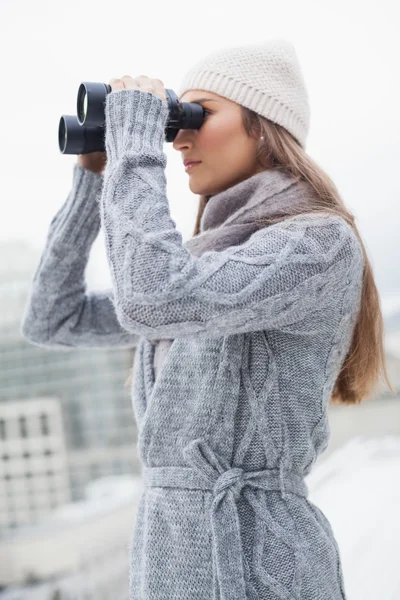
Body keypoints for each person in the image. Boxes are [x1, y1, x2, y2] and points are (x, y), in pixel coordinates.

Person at [21, 40, 393, 599]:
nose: (179, 138)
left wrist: (137, 148)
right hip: (171, 558)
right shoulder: (204, 271)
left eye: (196, 115)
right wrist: (93, 180)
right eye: (174, 121)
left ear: (263, 128)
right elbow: (54, 317)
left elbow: (152, 297)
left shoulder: (317, 246)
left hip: (262, 564)